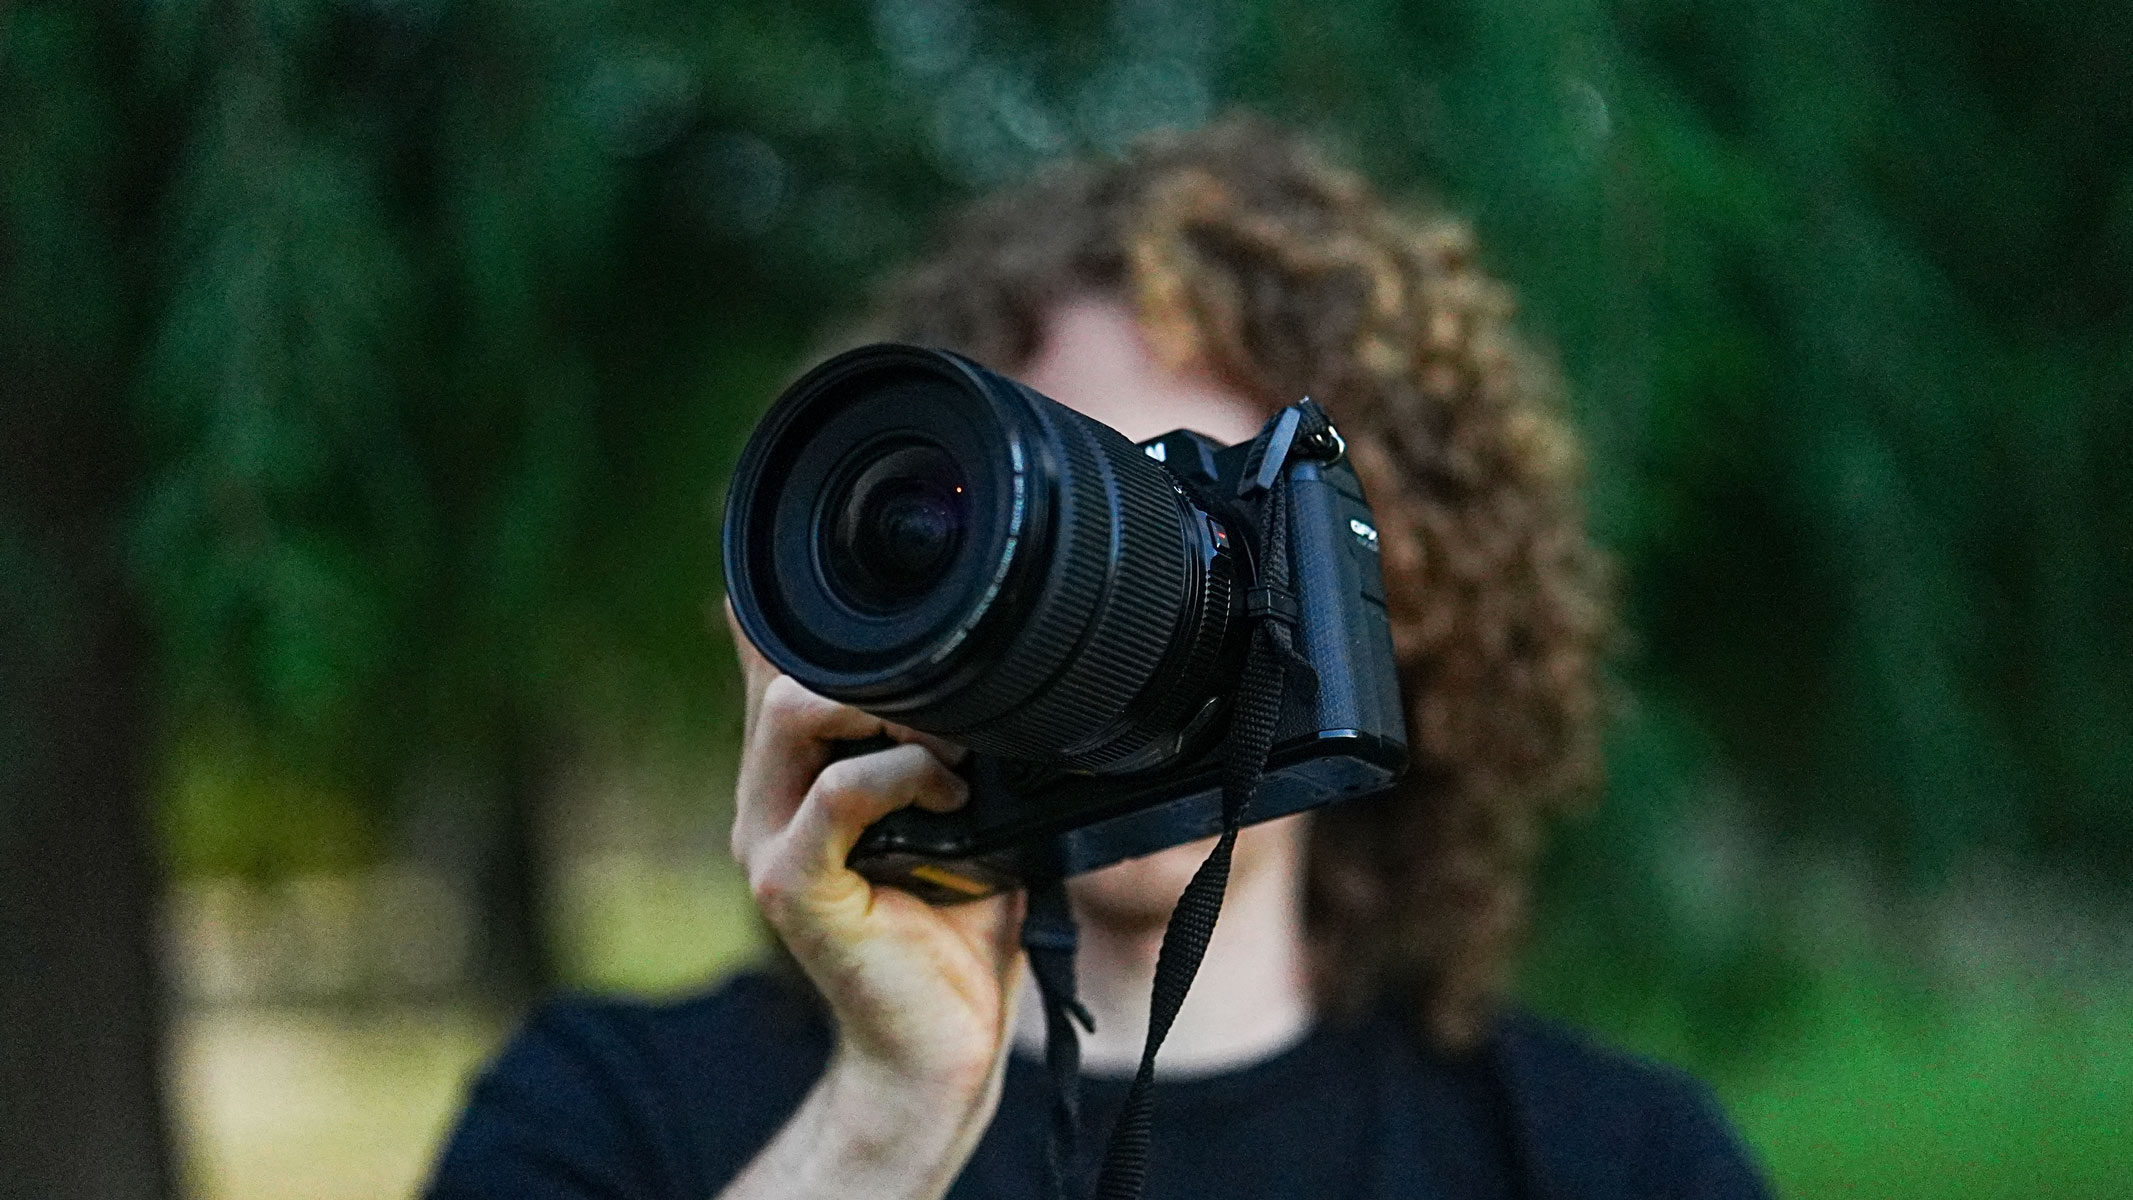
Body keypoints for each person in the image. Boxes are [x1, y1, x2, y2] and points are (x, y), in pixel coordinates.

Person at [426, 117, 1771, 1200]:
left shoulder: (1608, 1158)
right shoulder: (609, 1113)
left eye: (1197, 523)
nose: (1102, 611)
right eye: (1063, 524)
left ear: (1399, 592)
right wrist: (880, 1130)